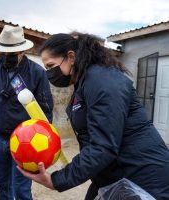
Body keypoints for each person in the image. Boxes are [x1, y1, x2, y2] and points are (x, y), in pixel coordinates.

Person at [17, 32, 169, 200]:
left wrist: (57, 180)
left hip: (143, 179)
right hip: (113, 176)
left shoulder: (102, 81)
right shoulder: (85, 82)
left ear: (71, 56)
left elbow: (103, 147)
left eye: (50, 66)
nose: (49, 73)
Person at [0, 25, 54, 200]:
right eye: (3, 53)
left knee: (21, 188)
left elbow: (45, 110)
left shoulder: (37, 73)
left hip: (25, 140)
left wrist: (44, 143)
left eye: (11, 54)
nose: (6, 57)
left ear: (21, 52)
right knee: (3, 186)